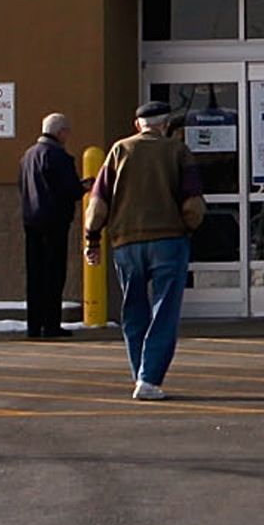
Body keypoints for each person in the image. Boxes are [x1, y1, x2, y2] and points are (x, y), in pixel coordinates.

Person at [86, 99, 201, 399]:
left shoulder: (118, 150)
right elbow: (193, 202)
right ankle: (149, 378)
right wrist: (189, 227)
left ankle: (140, 372)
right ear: (165, 125)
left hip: (126, 241)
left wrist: (92, 239)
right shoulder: (178, 151)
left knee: (133, 309)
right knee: (164, 309)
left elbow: (98, 202)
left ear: (138, 125)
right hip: (169, 240)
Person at [17, 111, 81, 339]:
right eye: (67, 132)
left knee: (35, 276)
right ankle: (51, 325)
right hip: (54, 222)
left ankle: (34, 325)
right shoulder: (58, 156)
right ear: (60, 132)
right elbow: (70, 189)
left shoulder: (28, 156)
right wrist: (85, 186)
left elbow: (22, 186)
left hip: (31, 221)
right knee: (54, 275)